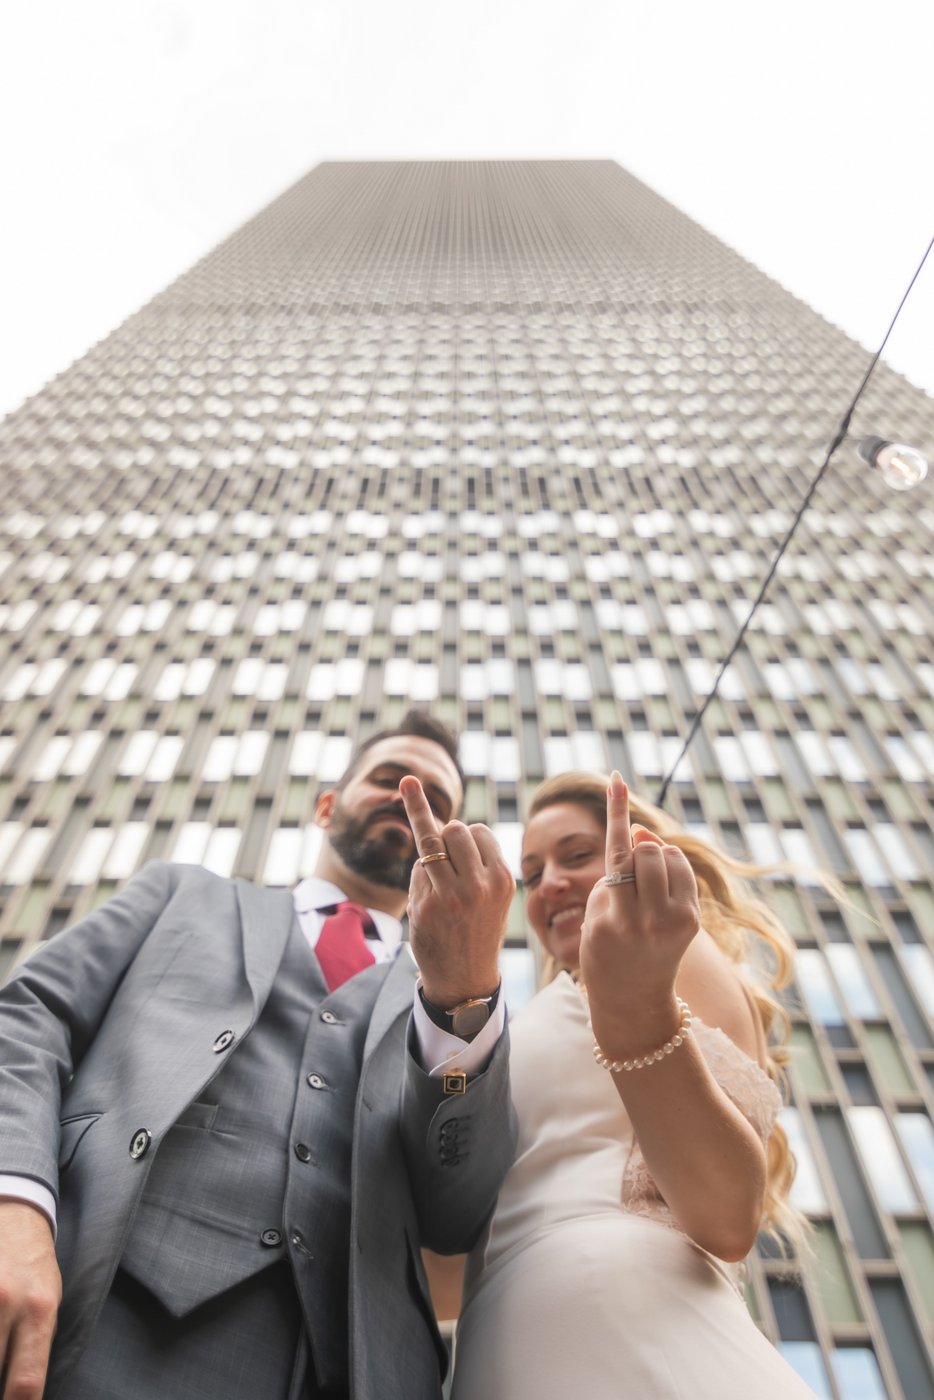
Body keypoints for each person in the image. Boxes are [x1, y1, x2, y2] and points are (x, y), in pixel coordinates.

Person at [0, 710, 517, 1400]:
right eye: (389, 778)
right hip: (89, 1309)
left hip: (345, 1366)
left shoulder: (461, 999)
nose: (409, 800)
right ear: (327, 805)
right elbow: (28, 1021)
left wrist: (462, 992)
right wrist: (15, 1205)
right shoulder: (182, 893)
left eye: (437, 801)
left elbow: (458, 1215)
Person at [452, 769, 818, 1400]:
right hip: (501, 1345)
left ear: (636, 853)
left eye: (576, 855)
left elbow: (727, 1212)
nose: (552, 884)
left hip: (628, 1322)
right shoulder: (543, 1006)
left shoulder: (675, 956)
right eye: (533, 874)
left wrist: (635, 1007)